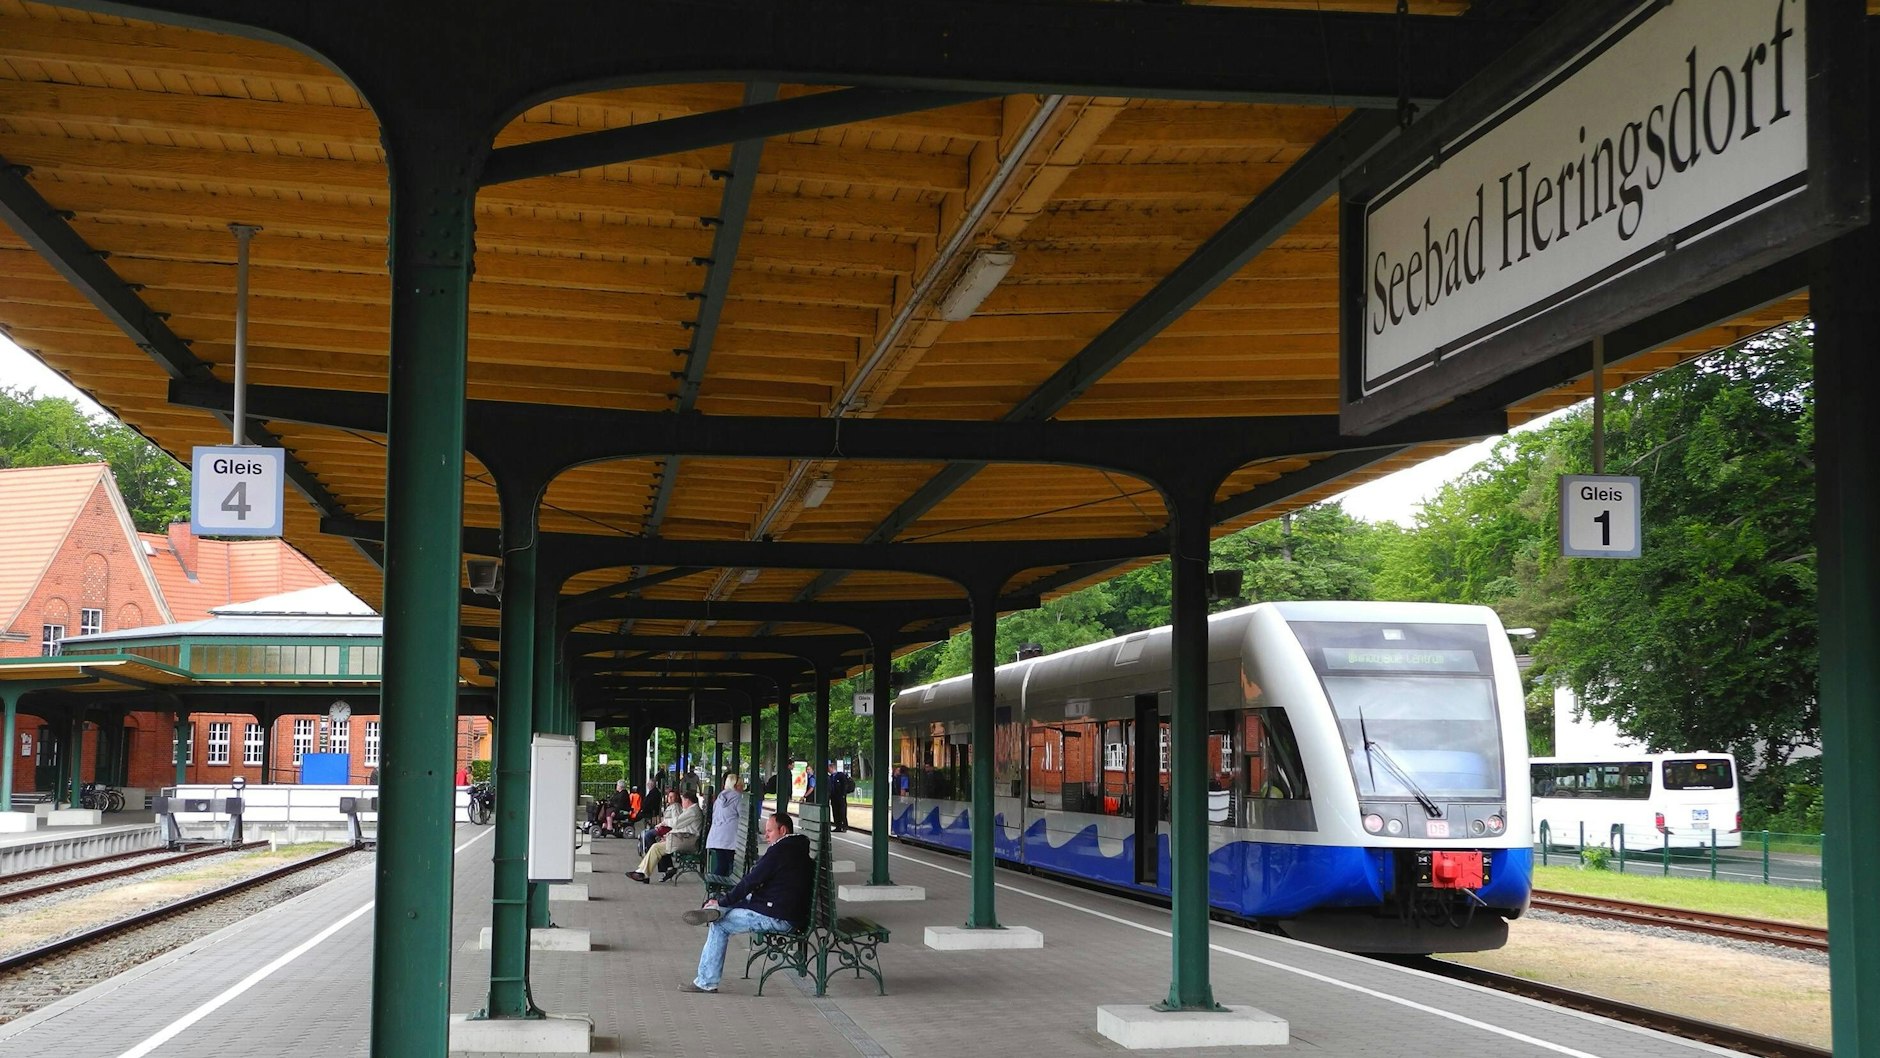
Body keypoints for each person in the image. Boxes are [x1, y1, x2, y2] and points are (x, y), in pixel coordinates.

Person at [677, 811, 813, 994]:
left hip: (779, 917)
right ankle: (717, 907)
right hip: (785, 910)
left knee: (720, 925)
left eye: (769, 831)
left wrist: (727, 900)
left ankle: (706, 981)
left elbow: (751, 881)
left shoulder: (779, 852)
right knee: (737, 901)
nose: (766, 835)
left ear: (783, 830)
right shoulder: (797, 849)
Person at [630, 791, 701, 883]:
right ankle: (643, 872)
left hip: (688, 841)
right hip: (684, 838)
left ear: (687, 800)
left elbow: (677, 823)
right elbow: (682, 827)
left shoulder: (692, 811)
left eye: (683, 800)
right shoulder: (692, 810)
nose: (682, 803)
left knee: (655, 846)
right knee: (656, 846)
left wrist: (665, 822)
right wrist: (669, 834)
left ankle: (643, 873)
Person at [705, 772, 745, 877]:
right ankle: (716, 887)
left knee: (722, 865)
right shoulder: (738, 797)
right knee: (731, 866)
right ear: (735, 786)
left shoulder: (719, 798)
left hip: (717, 837)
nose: (743, 788)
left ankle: (714, 887)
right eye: (741, 785)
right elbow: (743, 817)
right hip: (731, 838)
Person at [828, 760, 850, 832]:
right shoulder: (831, 777)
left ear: (832, 768)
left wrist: (843, 794)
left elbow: (844, 785)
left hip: (840, 797)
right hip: (834, 797)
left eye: (829, 768)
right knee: (835, 812)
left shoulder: (840, 775)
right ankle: (838, 826)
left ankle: (844, 826)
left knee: (842, 812)